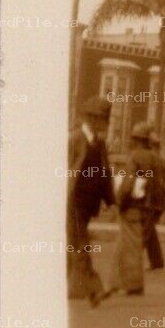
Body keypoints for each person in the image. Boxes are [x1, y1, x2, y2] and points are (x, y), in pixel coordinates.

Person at [68, 97, 117, 305]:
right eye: (102, 119)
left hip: (89, 203)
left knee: (73, 243)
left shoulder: (99, 143)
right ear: (90, 118)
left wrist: (111, 201)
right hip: (73, 200)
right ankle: (93, 289)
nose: (105, 123)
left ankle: (70, 287)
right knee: (80, 243)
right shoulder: (74, 139)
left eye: (105, 119)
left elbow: (104, 173)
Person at [114, 121, 158, 296]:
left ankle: (133, 285)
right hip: (150, 207)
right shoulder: (156, 158)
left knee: (130, 245)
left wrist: (120, 201)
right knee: (129, 244)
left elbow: (127, 184)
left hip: (134, 206)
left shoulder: (135, 157)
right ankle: (120, 282)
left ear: (136, 139)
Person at [138, 127, 165, 271]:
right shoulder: (162, 160)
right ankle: (157, 261)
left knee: (143, 232)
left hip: (151, 201)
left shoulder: (151, 160)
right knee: (149, 229)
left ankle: (132, 261)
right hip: (158, 201)